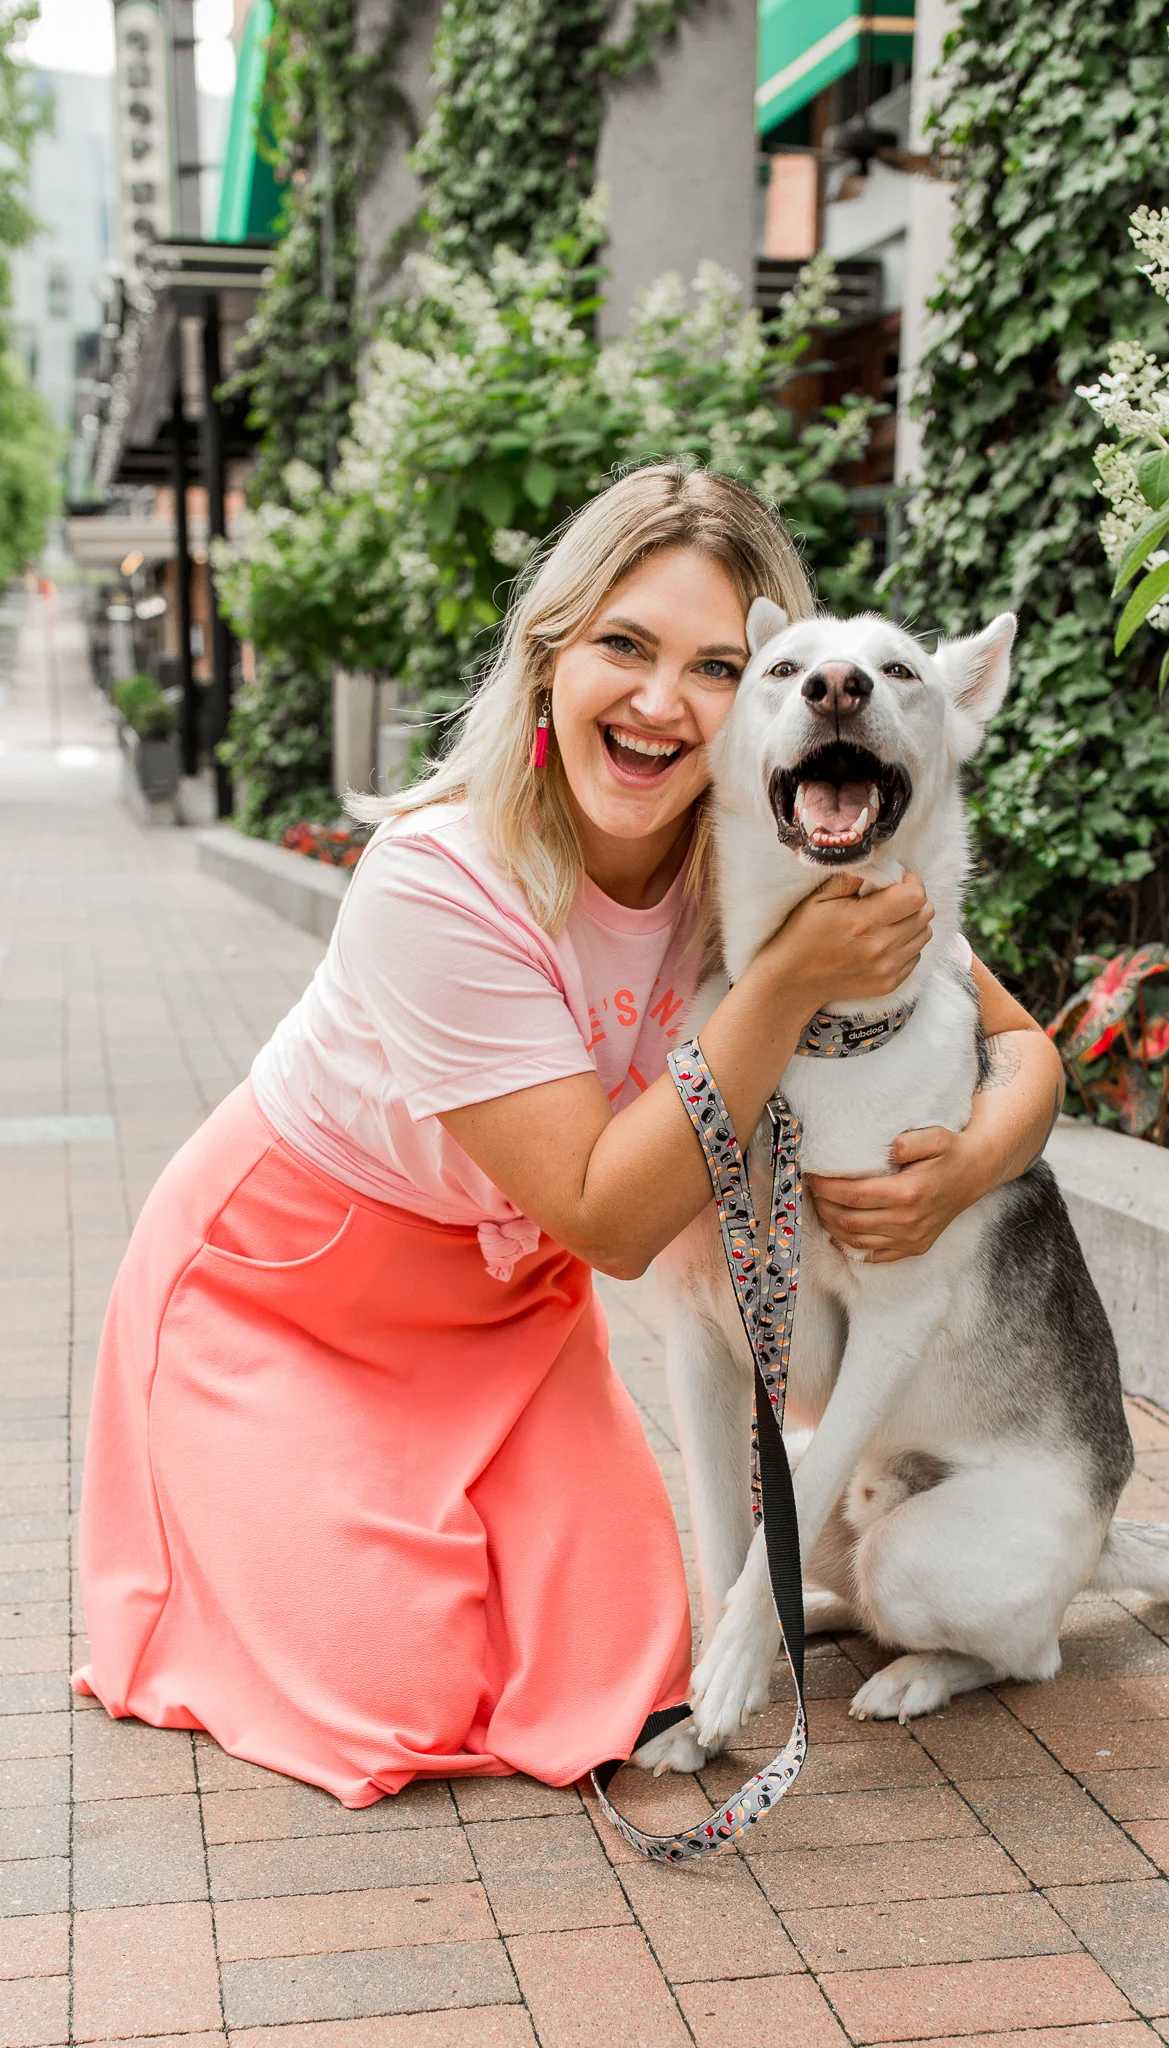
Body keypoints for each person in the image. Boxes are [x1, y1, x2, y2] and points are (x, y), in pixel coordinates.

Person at [74, 464, 1063, 1809]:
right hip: (290, 1294)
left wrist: (971, 1165)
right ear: (550, 657)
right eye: (624, 646)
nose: (661, 700)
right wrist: (784, 984)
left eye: (716, 668)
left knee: (615, 1680)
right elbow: (609, 1221)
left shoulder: (763, 852)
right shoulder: (437, 881)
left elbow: (1021, 1043)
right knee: (402, 1691)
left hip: (507, 1313)